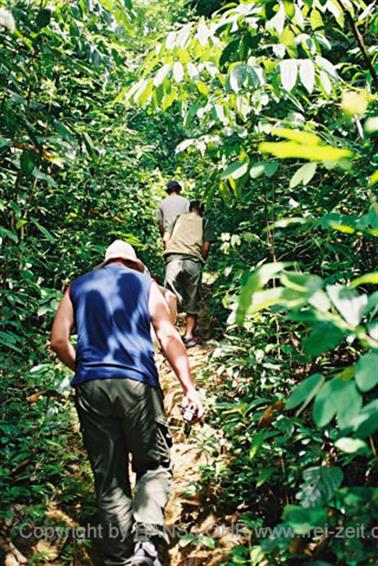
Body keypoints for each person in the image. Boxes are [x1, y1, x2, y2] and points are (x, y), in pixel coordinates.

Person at [50, 240, 204, 566]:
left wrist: (87, 370)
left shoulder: (76, 287)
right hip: (138, 385)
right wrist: (188, 388)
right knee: (153, 465)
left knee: (109, 477)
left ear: (104, 264)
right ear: (135, 265)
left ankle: (118, 558)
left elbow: (59, 341)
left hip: (91, 388)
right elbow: (167, 335)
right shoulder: (144, 284)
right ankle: (146, 543)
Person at [163, 201, 215, 348]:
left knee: (169, 297)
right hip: (193, 261)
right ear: (202, 211)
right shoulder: (205, 223)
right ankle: (189, 336)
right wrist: (201, 260)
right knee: (193, 297)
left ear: (189, 209)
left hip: (173, 260)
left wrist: (169, 255)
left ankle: (168, 334)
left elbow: (166, 239)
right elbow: (205, 248)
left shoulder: (177, 219)